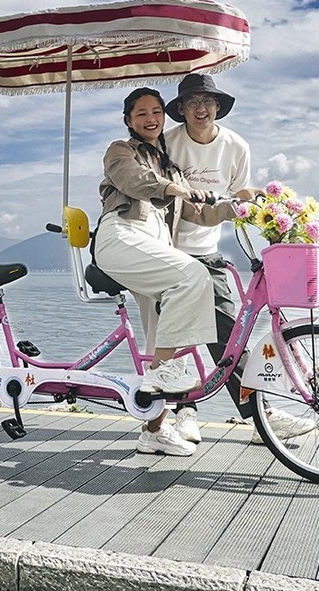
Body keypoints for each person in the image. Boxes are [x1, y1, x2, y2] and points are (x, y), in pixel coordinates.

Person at [162, 73, 318, 445]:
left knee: (228, 335)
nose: (201, 109)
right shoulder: (167, 145)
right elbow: (168, 200)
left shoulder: (236, 146)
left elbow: (239, 191)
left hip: (208, 250)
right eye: (192, 103)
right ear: (181, 110)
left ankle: (257, 415)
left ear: (218, 107)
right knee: (175, 337)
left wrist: (267, 202)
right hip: (166, 251)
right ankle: (186, 413)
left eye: (207, 102)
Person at [94, 87, 239, 457]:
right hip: (123, 236)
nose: (150, 118)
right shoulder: (120, 151)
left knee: (160, 338)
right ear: (129, 120)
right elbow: (133, 181)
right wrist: (176, 188)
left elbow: (199, 213)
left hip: (155, 247)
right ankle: (161, 374)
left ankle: (153, 430)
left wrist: (237, 206)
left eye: (156, 111)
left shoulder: (171, 166)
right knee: (195, 276)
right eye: (141, 113)